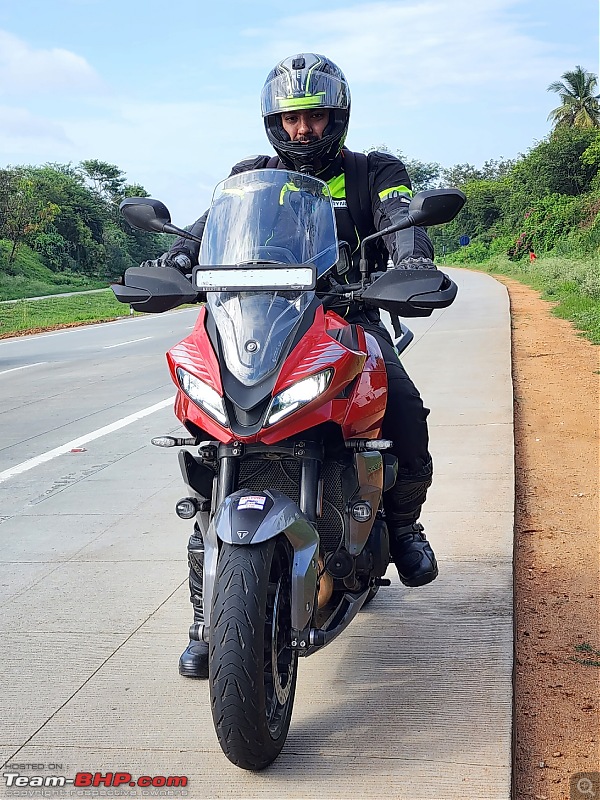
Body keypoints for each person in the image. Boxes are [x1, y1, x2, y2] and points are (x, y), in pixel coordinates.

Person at [145, 54, 440, 679]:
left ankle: (404, 525)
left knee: (405, 416)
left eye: (317, 117)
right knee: (210, 447)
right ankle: (209, 617)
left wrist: (410, 263)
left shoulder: (374, 172)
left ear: (340, 117)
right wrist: (173, 263)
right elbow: (205, 233)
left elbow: (401, 221)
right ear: (273, 122)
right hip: (258, 325)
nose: (305, 130)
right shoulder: (251, 175)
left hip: (346, 323)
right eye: (293, 118)